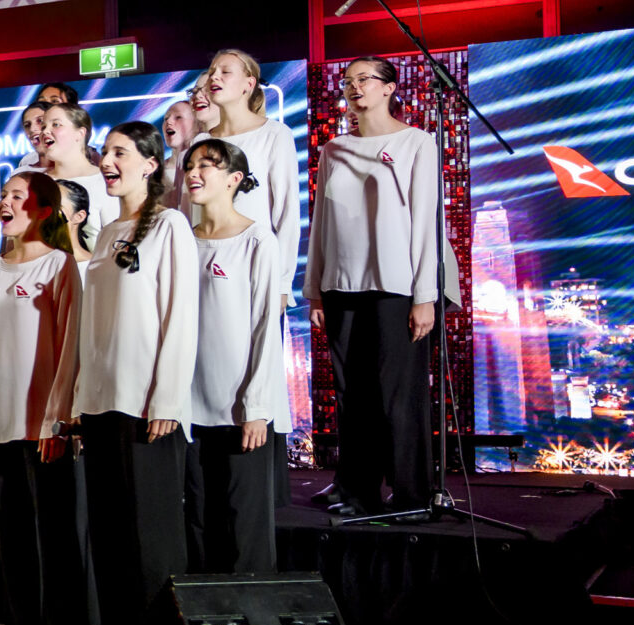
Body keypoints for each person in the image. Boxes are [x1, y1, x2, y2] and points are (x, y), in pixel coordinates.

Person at [64, 122, 197, 625]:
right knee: (113, 538)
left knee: (151, 542)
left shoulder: (170, 227)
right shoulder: (106, 234)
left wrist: (167, 399)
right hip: (101, 405)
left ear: (150, 163)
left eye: (121, 153)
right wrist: (78, 399)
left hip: (147, 408)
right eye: (107, 153)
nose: (108, 161)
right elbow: (91, 327)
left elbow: (180, 317)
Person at [307, 56, 443, 519]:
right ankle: (358, 492)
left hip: (397, 286)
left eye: (364, 79)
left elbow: (427, 222)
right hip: (342, 286)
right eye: (348, 81)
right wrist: (315, 290)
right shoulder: (333, 150)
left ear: (389, 88)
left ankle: (412, 496)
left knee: (399, 396)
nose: (354, 87)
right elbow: (321, 226)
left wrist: (425, 295)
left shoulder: (415, 143)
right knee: (353, 395)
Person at [0, 171, 88, 625]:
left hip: (42, 425)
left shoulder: (59, 265)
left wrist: (59, 419)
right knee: (9, 533)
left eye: (19, 196)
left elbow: (70, 345)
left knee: (53, 536)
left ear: (41, 209)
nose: (7, 202)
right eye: (6, 195)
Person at [181, 139, 286, 574]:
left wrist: (257, 408)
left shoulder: (257, 238)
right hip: (188, 406)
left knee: (246, 526)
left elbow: (266, 326)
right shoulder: (180, 239)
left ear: (234, 179)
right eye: (190, 165)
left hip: (242, 407)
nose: (194, 173)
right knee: (198, 520)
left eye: (207, 165)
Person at [184, 48, 303, 309]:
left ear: (249, 84)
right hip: (205, 263)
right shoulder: (201, 141)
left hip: (254, 264)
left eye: (225, 72)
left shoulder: (274, 134)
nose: (215, 77)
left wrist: (282, 283)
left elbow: (286, 214)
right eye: (213, 72)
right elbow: (193, 213)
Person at [36, 99, 117, 239]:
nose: (45, 131)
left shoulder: (105, 182)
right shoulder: (35, 183)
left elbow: (116, 241)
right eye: (43, 127)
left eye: (56, 124)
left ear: (80, 133)